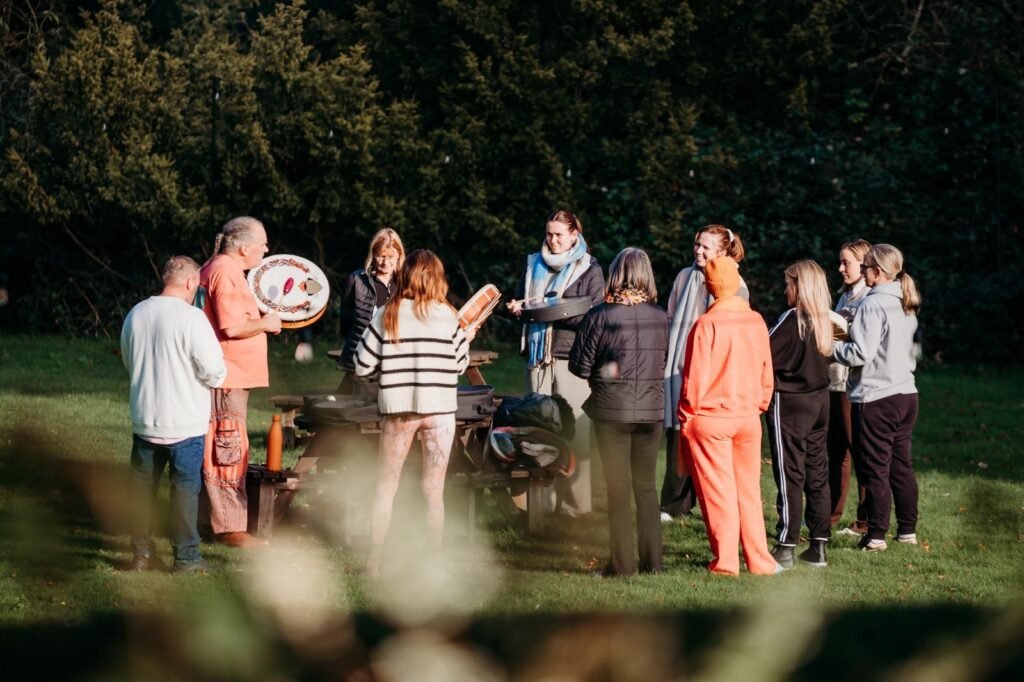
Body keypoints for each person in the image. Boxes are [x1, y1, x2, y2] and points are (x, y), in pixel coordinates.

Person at [354, 249, 470, 577]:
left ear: (404, 275)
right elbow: (460, 365)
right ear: (437, 278)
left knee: (386, 486)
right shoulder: (448, 315)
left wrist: (386, 371)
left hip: (399, 410)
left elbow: (361, 366)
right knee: (434, 491)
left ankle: (374, 563)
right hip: (439, 410)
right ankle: (434, 563)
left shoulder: (386, 313)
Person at [121, 256, 227, 572]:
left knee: (142, 490)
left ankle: (141, 555)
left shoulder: (136, 313)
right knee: (184, 490)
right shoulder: (192, 318)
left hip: (145, 416)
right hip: (185, 420)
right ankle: (186, 558)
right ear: (191, 282)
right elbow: (214, 371)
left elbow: (128, 359)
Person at [678, 255, 780, 576]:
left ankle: (726, 562)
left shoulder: (706, 324)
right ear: (736, 284)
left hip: (711, 418)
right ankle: (760, 560)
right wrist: (759, 404)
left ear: (710, 287)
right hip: (748, 417)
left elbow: (694, 378)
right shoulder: (756, 320)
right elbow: (766, 370)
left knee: (718, 493)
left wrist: (686, 417)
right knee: (749, 492)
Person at [569, 248, 668, 576]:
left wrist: (609, 371)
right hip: (652, 412)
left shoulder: (600, 315)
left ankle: (621, 566)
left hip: (612, 413)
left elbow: (580, 367)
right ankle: (653, 564)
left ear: (615, 274)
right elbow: (664, 361)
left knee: (618, 489)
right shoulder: (662, 316)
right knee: (647, 488)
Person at [507, 210, 604, 516]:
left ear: (574, 235)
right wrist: (518, 309)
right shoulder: (532, 263)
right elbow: (522, 303)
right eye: (549, 234)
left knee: (575, 431)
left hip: (570, 359)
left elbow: (593, 313)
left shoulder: (589, 267)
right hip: (537, 357)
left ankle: (576, 507)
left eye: (559, 234)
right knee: (538, 430)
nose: (553, 239)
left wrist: (547, 309)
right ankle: (543, 506)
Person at [832, 244, 921, 551]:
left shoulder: (872, 303)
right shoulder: (906, 300)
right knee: (901, 467)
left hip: (876, 397)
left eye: (865, 266)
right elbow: (914, 351)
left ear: (878, 271)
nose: (862, 271)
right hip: (907, 394)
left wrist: (829, 346)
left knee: (875, 468)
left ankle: (876, 536)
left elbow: (861, 353)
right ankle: (907, 531)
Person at [199, 216, 281, 548]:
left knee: (221, 447)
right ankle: (230, 529)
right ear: (244, 247)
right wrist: (266, 323)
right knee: (228, 451)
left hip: (229, 376)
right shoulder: (225, 271)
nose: (266, 249)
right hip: (227, 377)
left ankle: (211, 521)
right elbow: (231, 327)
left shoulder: (222, 269)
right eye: (262, 243)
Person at [660, 225, 748, 523]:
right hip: (679, 364)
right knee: (677, 436)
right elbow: (671, 316)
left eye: (705, 247)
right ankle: (674, 503)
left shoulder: (736, 283)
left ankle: (710, 500)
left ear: (722, 252)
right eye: (697, 244)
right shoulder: (684, 277)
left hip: (711, 371)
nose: (698, 250)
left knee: (705, 438)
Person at [767, 260, 834, 568]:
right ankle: (819, 545)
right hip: (820, 401)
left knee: (789, 472)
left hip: (790, 402)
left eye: (788, 284)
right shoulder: (825, 320)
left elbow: (763, 351)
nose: (785, 291)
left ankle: (786, 545)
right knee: (817, 472)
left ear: (799, 285)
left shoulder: (792, 318)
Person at [829, 239, 872, 535]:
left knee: (859, 452)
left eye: (846, 263)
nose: (840, 268)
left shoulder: (868, 298)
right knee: (836, 451)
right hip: (834, 382)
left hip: (854, 384)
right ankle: (831, 515)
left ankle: (865, 521)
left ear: (863, 264)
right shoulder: (844, 296)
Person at [338, 228, 406, 391]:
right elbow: (345, 323)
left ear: (399, 256)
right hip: (360, 358)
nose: (385, 262)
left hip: (397, 359)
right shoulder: (356, 280)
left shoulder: (406, 283)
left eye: (390, 257)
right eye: (381, 256)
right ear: (373, 255)